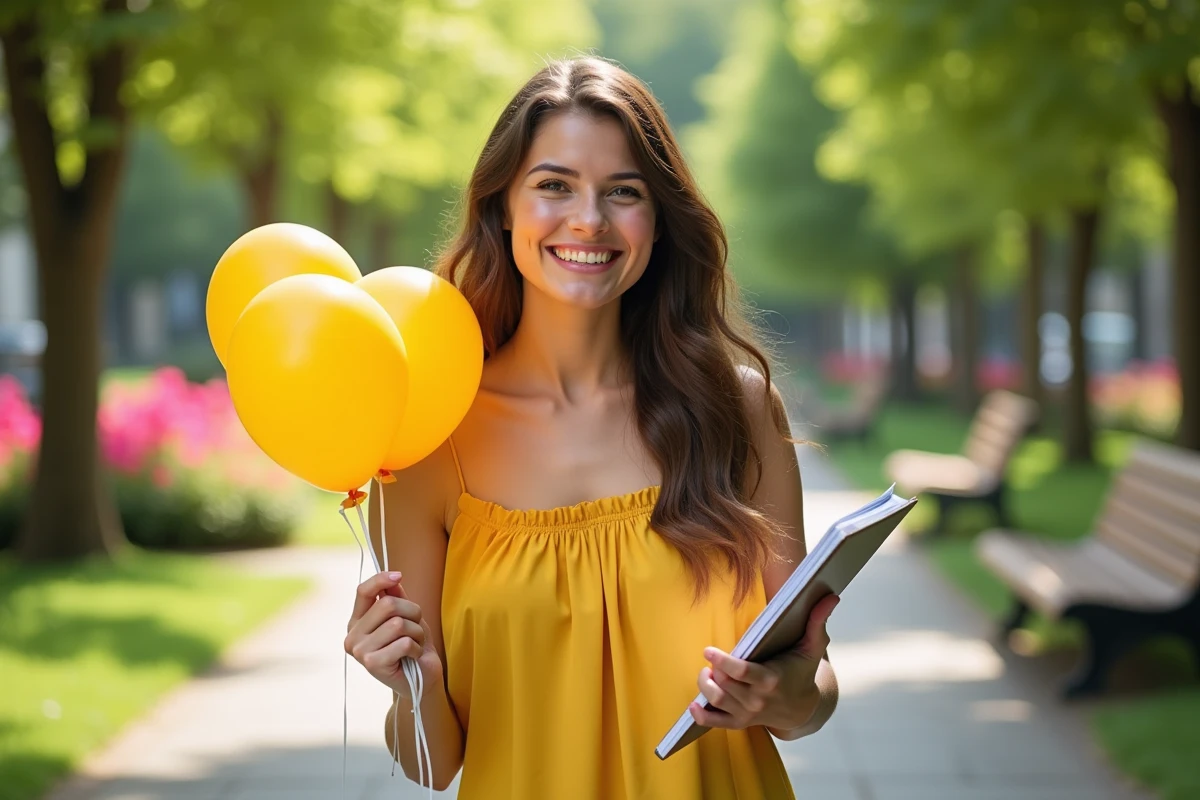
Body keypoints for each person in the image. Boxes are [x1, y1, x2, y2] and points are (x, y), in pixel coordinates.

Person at [344, 55, 839, 799]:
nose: (589, 220)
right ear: (502, 206)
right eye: (554, 185)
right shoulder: (427, 438)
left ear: (659, 221)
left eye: (624, 193)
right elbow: (434, 764)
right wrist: (407, 683)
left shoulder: (737, 409)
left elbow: (810, 691)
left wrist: (787, 695)